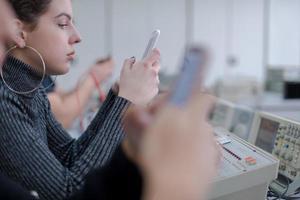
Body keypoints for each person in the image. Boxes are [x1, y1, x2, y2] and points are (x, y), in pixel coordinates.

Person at [0, 0, 160, 199]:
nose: (77, 37)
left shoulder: (32, 91)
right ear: (19, 33)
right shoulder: (6, 101)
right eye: (63, 24)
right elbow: (70, 193)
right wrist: (128, 100)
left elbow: (70, 156)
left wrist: (118, 98)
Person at [43, 57, 114, 129]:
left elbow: (62, 97)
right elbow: (60, 120)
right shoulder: (33, 72)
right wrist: (93, 78)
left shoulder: (44, 74)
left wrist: (90, 76)